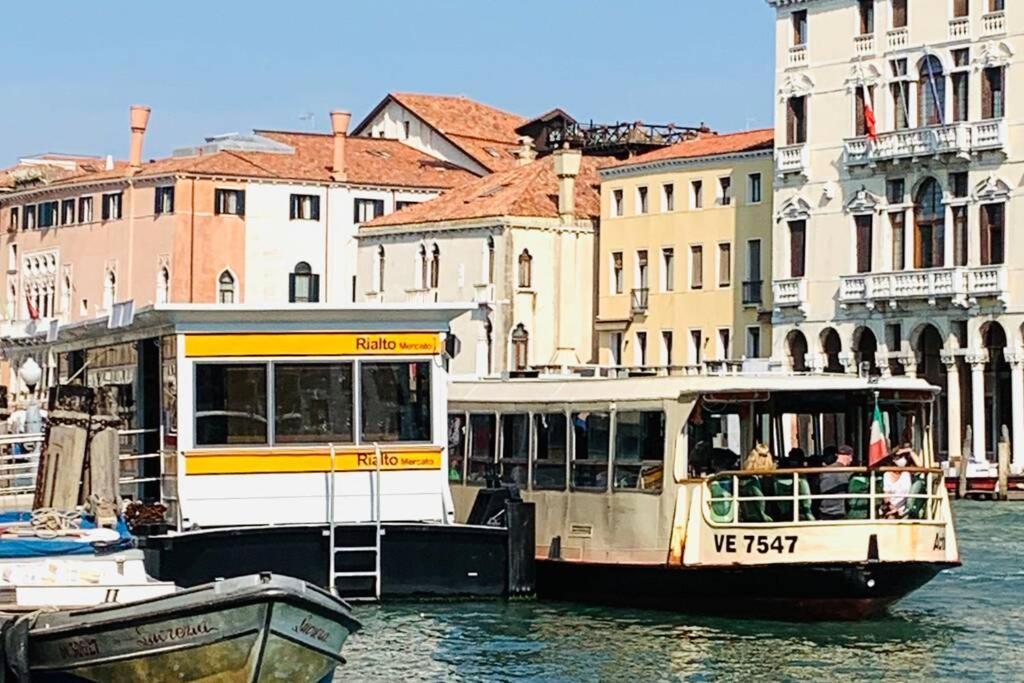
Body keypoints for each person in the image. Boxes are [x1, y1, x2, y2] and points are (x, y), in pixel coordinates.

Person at [881, 444, 919, 518]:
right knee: (890, 518)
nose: (902, 459)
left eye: (904, 457)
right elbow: (886, 497)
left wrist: (910, 451)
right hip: (890, 508)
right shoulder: (887, 474)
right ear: (893, 459)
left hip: (905, 510)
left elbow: (920, 466)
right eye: (899, 457)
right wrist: (892, 508)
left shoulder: (907, 473)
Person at [818, 445, 854, 520]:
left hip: (824, 512)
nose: (851, 461)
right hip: (841, 513)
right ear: (849, 457)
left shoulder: (823, 471)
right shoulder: (849, 473)